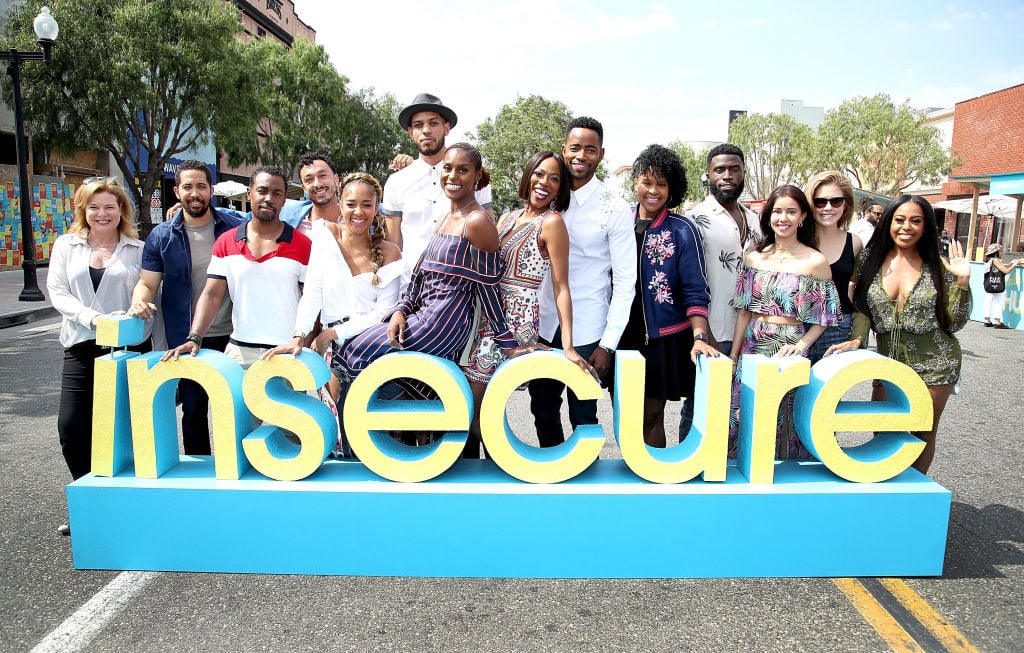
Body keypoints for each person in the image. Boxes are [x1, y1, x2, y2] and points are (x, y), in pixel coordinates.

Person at [336, 144, 526, 402]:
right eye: (447, 168)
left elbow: (489, 287)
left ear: (477, 175)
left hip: (443, 323)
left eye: (463, 170)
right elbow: (419, 277)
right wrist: (402, 310)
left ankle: (350, 438)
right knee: (354, 353)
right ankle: (414, 404)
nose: (453, 176)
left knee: (355, 350)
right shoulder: (445, 218)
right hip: (423, 315)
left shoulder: (478, 222)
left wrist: (507, 342)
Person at [826, 195, 972, 474]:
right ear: (888, 221)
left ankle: (914, 503)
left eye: (916, 221)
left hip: (935, 365)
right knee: (883, 432)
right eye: (900, 219)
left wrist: (963, 284)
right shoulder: (868, 259)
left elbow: (955, 323)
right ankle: (890, 498)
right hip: (888, 364)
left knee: (921, 433)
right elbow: (861, 308)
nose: (907, 227)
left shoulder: (940, 267)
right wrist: (858, 337)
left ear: (926, 226)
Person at [261, 173, 404, 454]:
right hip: (335, 352)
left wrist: (333, 332)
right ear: (340, 204)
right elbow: (313, 291)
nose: (358, 212)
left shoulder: (390, 251)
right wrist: (298, 335)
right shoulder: (325, 237)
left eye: (367, 204)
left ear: (377, 207)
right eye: (351, 204)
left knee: (374, 435)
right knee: (337, 432)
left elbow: (384, 311)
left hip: (373, 349)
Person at [463, 151, 590, 457]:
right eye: (539, 173)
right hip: (486, 317)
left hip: (515, 321)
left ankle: (504, 475)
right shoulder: (507, 217)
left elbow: (561, 287)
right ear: (528, 174)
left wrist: (569, 346)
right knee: (470, 410)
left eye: (555, 178)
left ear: (560, 190)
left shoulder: (553, 223)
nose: (544, 182)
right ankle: (476, 482)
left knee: (476, 411)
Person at [48, 179, 153, 534]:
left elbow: (150, 299)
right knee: (72, 427)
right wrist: (93, 318)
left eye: (110, 206)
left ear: (122, 210)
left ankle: (130, 506)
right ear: (83, 210)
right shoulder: (66, 246)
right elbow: (57, 293)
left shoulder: (138, 250)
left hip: (129, 350)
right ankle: (90, 502)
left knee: (126, 429)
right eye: (94, 207)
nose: (102, 214)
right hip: (81, 345)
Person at [529, 117, 637, 448]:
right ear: (565, 149)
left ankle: (582, 486)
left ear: (601, 154)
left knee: (584, 416)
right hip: (545, 325)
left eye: (590, 149)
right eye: (575, 147)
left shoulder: (614, 207)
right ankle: (556, 474)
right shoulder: (547, 195)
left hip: (590, 329)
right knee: (542, 410)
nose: (581, 155)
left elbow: (625, 281)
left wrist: (608, 344)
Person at [128, 160, 244, 455]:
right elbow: (147, 283)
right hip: (186, 337)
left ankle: (238, 472)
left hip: (234, 335)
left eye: (201, 186)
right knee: (193, 410)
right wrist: (138, 299)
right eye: (188, 187)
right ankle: (201, 477)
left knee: (236, 408)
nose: (195, 193)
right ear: (177, 191)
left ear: (212, 190)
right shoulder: (161, 236)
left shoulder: (235, 228)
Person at [730, 185, 840, 459]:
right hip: (753, 345)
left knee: (787, 415)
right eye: (778, 211)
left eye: (791, 211)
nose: (784, 218)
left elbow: (825, 316)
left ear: (802, 216)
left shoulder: (815, 261)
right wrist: (734, 355)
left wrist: (801, 345)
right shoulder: (753, 256)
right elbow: (744, 310)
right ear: (768, 216)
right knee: (745, 413)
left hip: (789, 347)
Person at [162, 166, 312, 368]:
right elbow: (212, 295)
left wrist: (304, 343)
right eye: (262, 191)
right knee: (229, 401)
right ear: (250, 193)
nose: (268, 198)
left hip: (286, 352)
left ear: (284, 199)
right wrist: (195, 337)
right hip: (239, 352)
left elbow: (311, 301)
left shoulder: (303, 245)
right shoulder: (226, 242)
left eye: (277, 193)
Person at [619, 145, 716, 448]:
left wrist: (700, 334)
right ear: (635, 181)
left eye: (661, 184)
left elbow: (695, 288)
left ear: (671, 188)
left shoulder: (682, 229)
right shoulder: (617, 223)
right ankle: (636, 477)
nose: (653, 190)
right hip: (621, 334)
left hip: (663, 338)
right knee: (626, 414)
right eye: (647, 182)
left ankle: (653, 482)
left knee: (650, 412)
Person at [685, 143, 761, 439]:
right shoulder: (695, 219)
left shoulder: (754, 219)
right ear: (708, 175)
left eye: (734, 169)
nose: (727, 175)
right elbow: (688, 282)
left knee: (741, 410)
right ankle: (689, 472)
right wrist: (703, 333)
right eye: (719, 170)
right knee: (699, 408)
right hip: (711, 331)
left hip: (752, 332)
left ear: (743, 173)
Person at [382, 94, 493, 288]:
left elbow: (489, 236)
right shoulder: (396, 182)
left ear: (446, 128)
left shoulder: (473, 177)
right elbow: (393, 244)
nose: (426, 130)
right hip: (409, 288)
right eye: (418, 125)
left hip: (460, 290)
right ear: (410, 132)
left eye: (433, 123)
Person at [803, 171, 863, 364]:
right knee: (791, 392)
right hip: (799, 325)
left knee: (828, 392)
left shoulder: (854, 242)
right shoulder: (797, 240)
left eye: (836, 201)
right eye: (820, 201)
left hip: (838, 328)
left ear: (846, 204)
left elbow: (860, 290)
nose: (827, 207)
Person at [981, 243, 1017, 328]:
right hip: (996, 283)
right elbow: (1005, 271)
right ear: (996, 252)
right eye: (1001, 251)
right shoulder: (996, 260)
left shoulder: (989, 260)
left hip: (988, 283)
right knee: (998, 302)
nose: (1002, 253)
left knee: (987, 301)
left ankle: (987, 320)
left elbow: (1001, 267)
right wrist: (1015, 265)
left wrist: (1011, 263)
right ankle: (997, 321)